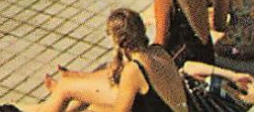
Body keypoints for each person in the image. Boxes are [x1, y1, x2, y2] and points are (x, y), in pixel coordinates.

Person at [32, 9, 188, 112]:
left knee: (88, 108)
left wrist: (92, 106)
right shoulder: (157, 51)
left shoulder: (134, 70)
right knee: (73, 91)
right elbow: (113, 76)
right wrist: (77, 78)